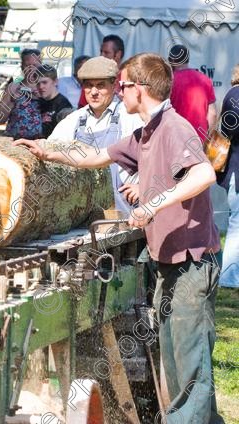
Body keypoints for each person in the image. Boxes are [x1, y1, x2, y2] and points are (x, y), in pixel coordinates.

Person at [15, 53, 223, 424]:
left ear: (139, 90)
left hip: (191, 263)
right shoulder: (145, 132)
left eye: (122, 84)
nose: (118, 91)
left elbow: (203, 174)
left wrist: (153, 203)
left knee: (190, 365)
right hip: (169, 260)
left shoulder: (174, 128)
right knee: (176, 365)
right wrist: (48, 151)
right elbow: (97, 156)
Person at [49, 56, 143, 214]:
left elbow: (152, 159)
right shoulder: (73, 121)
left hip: (125, 212)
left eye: (100, 86)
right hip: (82, 214)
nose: (93, 92)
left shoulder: (130, 117)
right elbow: (52, 151)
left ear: (114, 85)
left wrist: (143, 186)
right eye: (88, 86)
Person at [217, 64, 239, 288]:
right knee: (237, 225)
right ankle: (230, 278)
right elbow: (228, 131)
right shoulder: (235, 96)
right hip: (236, 171)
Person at [168, 44, 217, 142]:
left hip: (176, 138)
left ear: (172, 61)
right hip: (199, 139)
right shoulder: (205, 79)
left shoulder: (169, 81)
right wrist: (207, 137)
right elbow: (213, 114)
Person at [0, 51, 44, 140]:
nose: (31, 69)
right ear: (21, 66)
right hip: (15, 142)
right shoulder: (13, 87)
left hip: (41, 143)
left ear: (41, 66)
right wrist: (10, 103)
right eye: (27, 65)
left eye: (35, 65)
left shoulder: (47, 88)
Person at [36, 64, 73, 138]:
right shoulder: (37, 102)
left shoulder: (63, 105)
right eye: (38, 83)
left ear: (55, 82)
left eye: (44, 82)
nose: (41, 86)